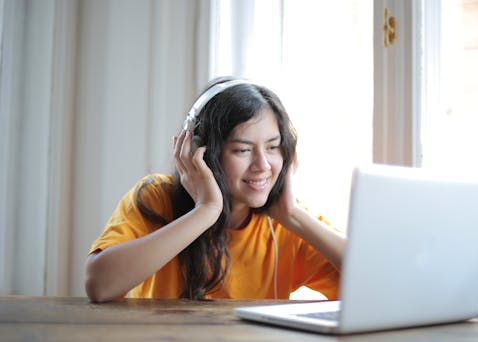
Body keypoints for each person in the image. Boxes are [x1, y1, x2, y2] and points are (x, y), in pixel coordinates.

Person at [85, 77, 346, 302]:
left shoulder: (283, 224)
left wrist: (293, 216)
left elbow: (378, 284)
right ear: (203, 153)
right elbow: (99, 285)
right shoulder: (155, 196)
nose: (263, 165)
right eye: (243, 150)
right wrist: (206, 211)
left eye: (273, 147)